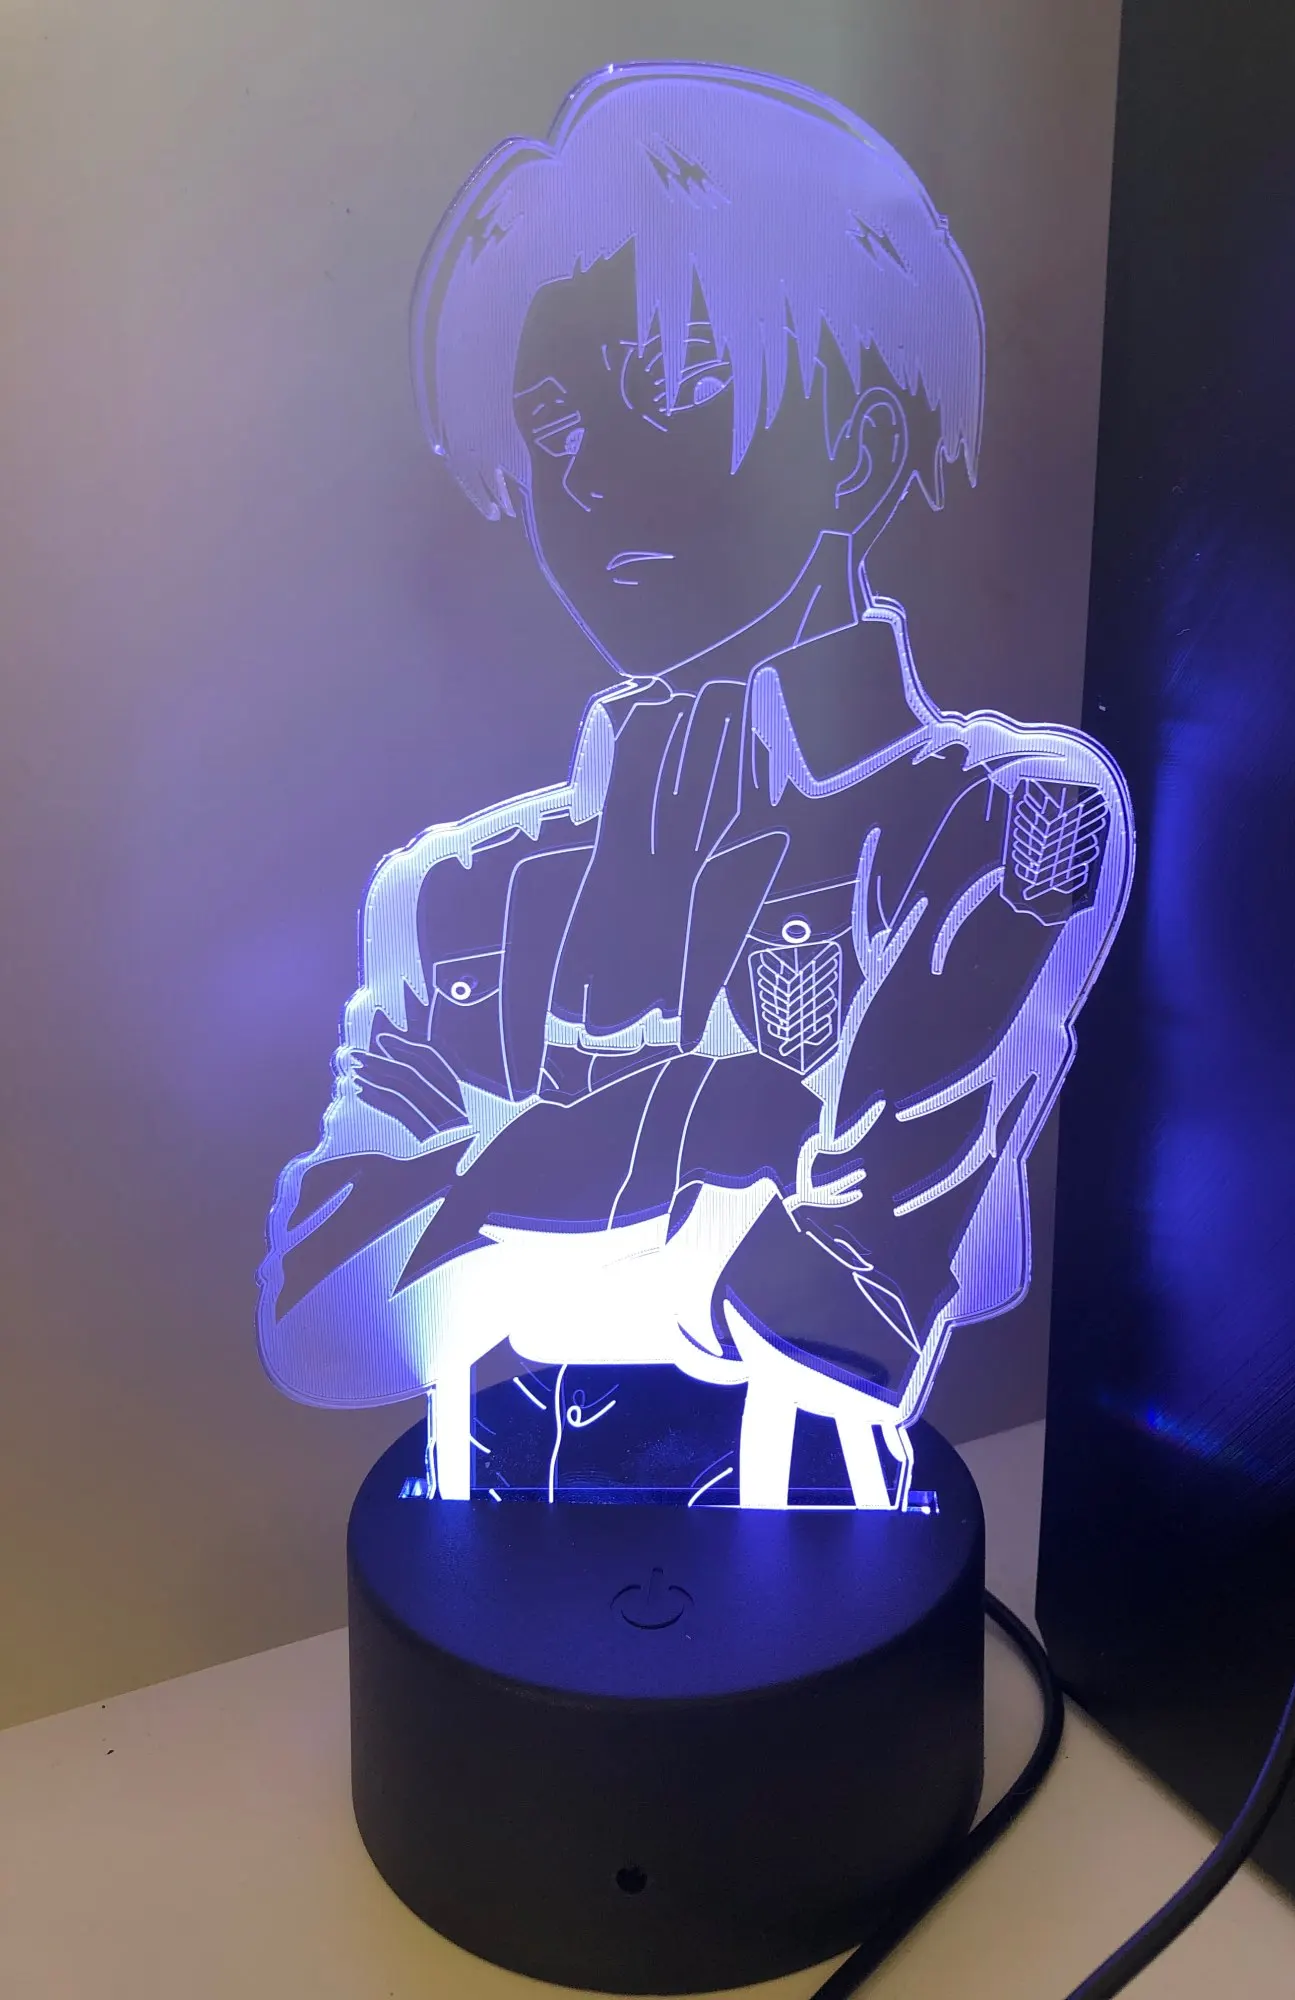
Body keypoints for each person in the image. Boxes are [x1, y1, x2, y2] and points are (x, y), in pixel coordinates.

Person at [257, 62, 1133, 1508]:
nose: (590, 474)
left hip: (838, 1536)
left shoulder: (1005, 819)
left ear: (862, 443)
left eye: (676, 384)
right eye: (551, 425)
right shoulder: (454, 891)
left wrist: (498, 1199)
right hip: (508, 1543)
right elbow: (323, 1321)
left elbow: (854, 1295)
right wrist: (718, 1126)